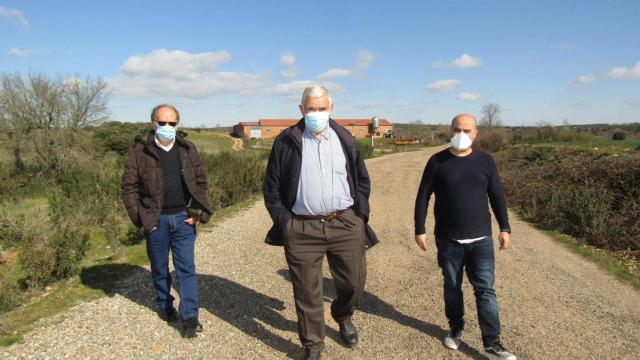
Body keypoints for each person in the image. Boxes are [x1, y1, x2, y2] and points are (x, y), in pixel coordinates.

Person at [263, 86, 378, 360]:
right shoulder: (286, 141)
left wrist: (359, 215)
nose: (316, 114)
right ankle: (313, 345)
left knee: (353, 282)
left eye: (321, 108)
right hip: (302, 227)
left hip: (345, 223)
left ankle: (343, 315)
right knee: (306, 292)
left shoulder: (346, 139)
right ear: (302, 109)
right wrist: (286, 224)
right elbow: (271, 188)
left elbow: (362, 180)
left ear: (331, 108)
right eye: (311, 109)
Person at [414, 113, 517, 360]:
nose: (462, 134)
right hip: (448, 239)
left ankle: (492, 343)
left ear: (475, 133)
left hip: (481, 239)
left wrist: (505, 227)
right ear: (450, 130)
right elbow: (422, 197)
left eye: (467, 130)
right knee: (452, 286)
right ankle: (455, 328)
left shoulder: (486, 161)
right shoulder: (436, 161)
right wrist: (420, 229)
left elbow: (497, 196)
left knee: (485, 290)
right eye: (457, 129)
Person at [122, 104, 212, 338]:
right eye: (162, 123)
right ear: (153, 123)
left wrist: (197, 213)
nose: (167, 127)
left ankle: (190, 317)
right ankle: (164, 305)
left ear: (178, 125)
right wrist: (141, 219)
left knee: (186, 269)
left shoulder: (187, 148)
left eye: (172, 123)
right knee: (160, 269)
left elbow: (201, 183)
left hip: (183, 220)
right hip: (156, 221)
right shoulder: (140, 151)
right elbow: (129, 188)